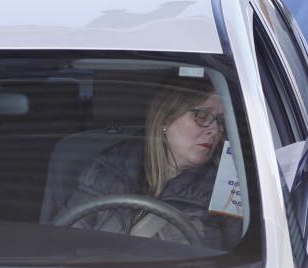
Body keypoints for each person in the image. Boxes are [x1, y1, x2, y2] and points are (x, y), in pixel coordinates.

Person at [57, 77, 240, 248]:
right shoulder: (108, 169)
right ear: (166, 119)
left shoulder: (229, 188)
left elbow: (239, 258)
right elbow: (62, 241)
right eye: (202, 116)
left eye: (220, 121)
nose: (215, 130)